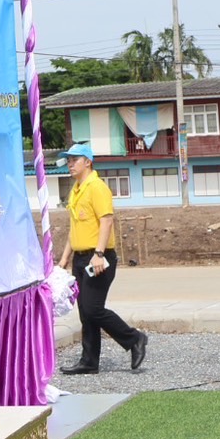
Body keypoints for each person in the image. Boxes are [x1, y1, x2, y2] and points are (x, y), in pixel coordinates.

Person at [57, 143, 147, 375]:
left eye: (74, 160)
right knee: (85, 312)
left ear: (87, 162)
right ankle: (89, 361)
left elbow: (106, 221)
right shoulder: (76, 189)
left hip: (99, 257)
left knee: (93, 309)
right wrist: (64, 259)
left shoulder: (97, 187)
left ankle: (134, 338)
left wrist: (98, 254)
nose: (70, 164)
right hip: (80, 257)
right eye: (68, 160)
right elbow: (74, 227)